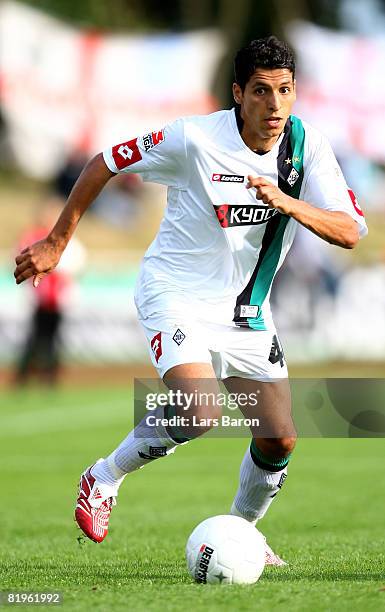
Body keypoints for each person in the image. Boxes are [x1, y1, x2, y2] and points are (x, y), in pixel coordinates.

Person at [14, 36, 367, 565]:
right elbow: (104, 162)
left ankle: (241, 534)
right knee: (199, 411)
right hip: (174, 292)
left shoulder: (307, 148)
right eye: (262, 92)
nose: (274, 107)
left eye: (285, 91)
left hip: (246, 313)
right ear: (237, 93)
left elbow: (350, 231)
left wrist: (287, 202)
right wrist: (57, 241)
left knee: (280, 440)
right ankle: (104, 476)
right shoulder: (194, 138)